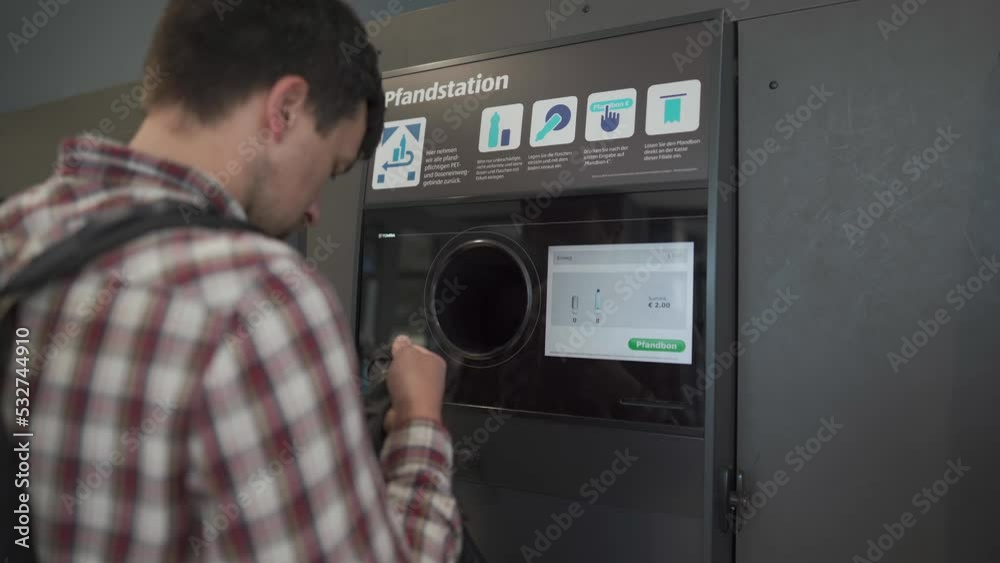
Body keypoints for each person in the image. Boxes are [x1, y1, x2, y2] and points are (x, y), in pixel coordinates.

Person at [0, 0, 461, 561]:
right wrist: (419, 424)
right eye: (331, 168)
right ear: (285, 109)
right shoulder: (254, 298)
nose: (316, 210)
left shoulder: (17, 233)